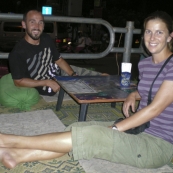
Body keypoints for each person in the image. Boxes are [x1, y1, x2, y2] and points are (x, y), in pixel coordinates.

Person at [1, 11, 173, 169]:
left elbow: (155, 108)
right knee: (77, 128)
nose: (152, 37)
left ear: (170, 36)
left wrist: (115, 129)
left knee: (93, 135)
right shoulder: (144, 64)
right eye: (148, 31)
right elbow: (152, 90)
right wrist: (134, 94)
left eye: (159, 32)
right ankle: (17, 156)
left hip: (156, 144)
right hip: (137, 129)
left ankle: (10, 140)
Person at [8, 10, 104, 96]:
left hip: (59, 72)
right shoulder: (17, 53)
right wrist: (46, 82)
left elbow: (59, 60)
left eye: (40, 22)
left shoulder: (46, 38)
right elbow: (18, 81)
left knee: (102, 78)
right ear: (24, 25)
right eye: (32, 22)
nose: (37, 27)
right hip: (44, 83)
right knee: (86, 89)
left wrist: (72, 74)